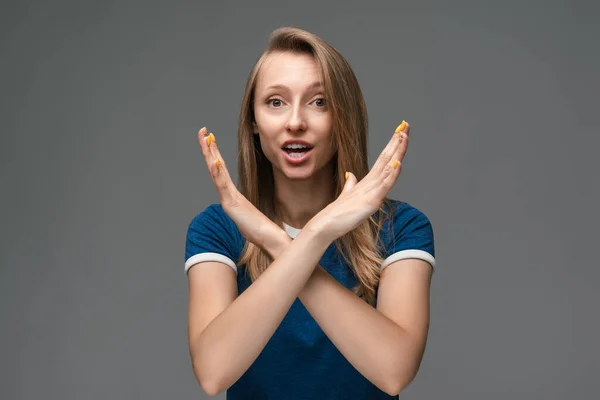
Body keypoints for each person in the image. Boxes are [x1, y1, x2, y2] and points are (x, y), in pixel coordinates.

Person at [184, 26, 436, 399]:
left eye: (319, 102)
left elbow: (394, 370)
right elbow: (213, 372)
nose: (295, 121)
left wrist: (284, 239)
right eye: (275, 102)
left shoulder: (401, 227)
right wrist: (317, 236)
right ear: (253, 122)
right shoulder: (219, 229)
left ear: (343, 118)